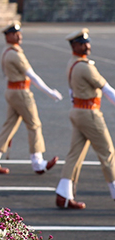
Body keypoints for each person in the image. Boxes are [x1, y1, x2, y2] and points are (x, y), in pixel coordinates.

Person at [0, 21, 61, 174]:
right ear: (8, 36)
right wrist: (49, 92)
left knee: (10, 126)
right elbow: (32, 76)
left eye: (19, 33)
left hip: (12, 91)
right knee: (34, 125)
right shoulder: (14, 54)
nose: (19, 36)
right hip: (20, 92)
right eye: (15, 34)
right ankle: (38, 162)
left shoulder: (8, 51)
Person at [55, 28, 115, 209]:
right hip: (89, 113)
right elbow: (107, 90)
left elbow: (71, 92)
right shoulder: (85, 67)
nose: (87, 46)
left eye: (87, 42)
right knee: (107, 153)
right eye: (83, 44)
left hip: (78, 111)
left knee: (75, 154)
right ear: (75, 46)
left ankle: (64, 194)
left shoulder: (72, 64)